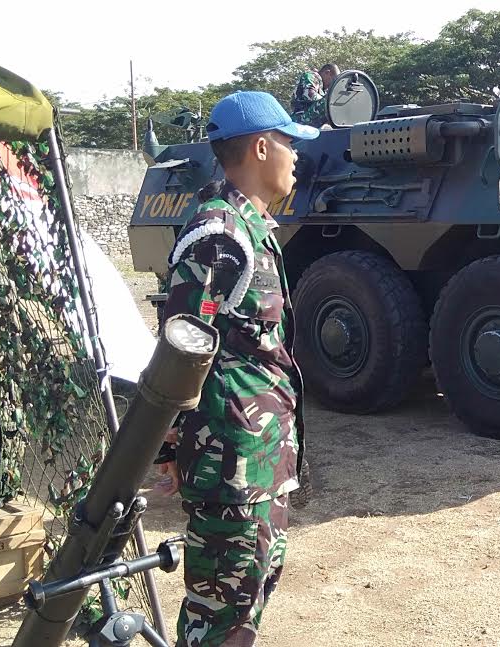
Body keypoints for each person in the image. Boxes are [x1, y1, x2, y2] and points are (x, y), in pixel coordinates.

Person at [156, 90, 318, 646]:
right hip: (230, 464)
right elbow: (181, 346)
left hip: (257, 458)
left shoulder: (250, 227)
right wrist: (174, 443)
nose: (297, 154)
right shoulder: (219, 234)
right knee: (220, 616)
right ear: (260, 146)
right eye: (290, 143)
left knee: (246, 600)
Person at [290, 63, 339, 128]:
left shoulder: (324, 88)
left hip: (310, 116)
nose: (331, 84)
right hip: (300, 118)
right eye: (333, 80)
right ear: (327, 73)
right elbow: (309, 95)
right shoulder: (311, 76)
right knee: (331, 101)